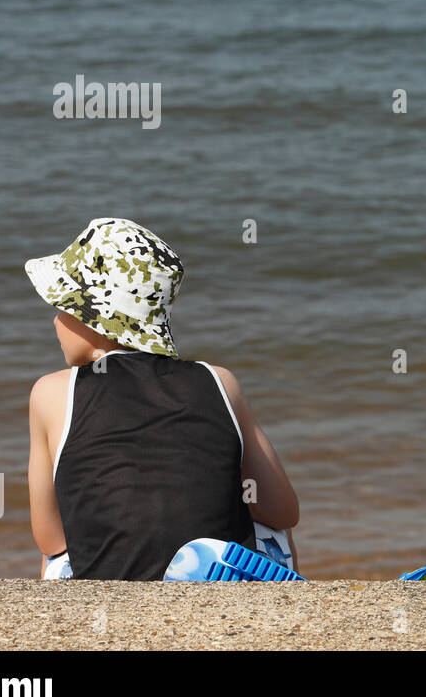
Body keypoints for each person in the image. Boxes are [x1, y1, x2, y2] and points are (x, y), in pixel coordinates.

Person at [25, 217, 299, 580]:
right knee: (273, 534)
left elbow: (50, 538)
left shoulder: (50, 393)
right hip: (213, 593)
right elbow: (282, 512)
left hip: (106, 596)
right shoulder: (219, 382)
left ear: (94, 317)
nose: (56, 321)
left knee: (58, 558)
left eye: (63, 306)